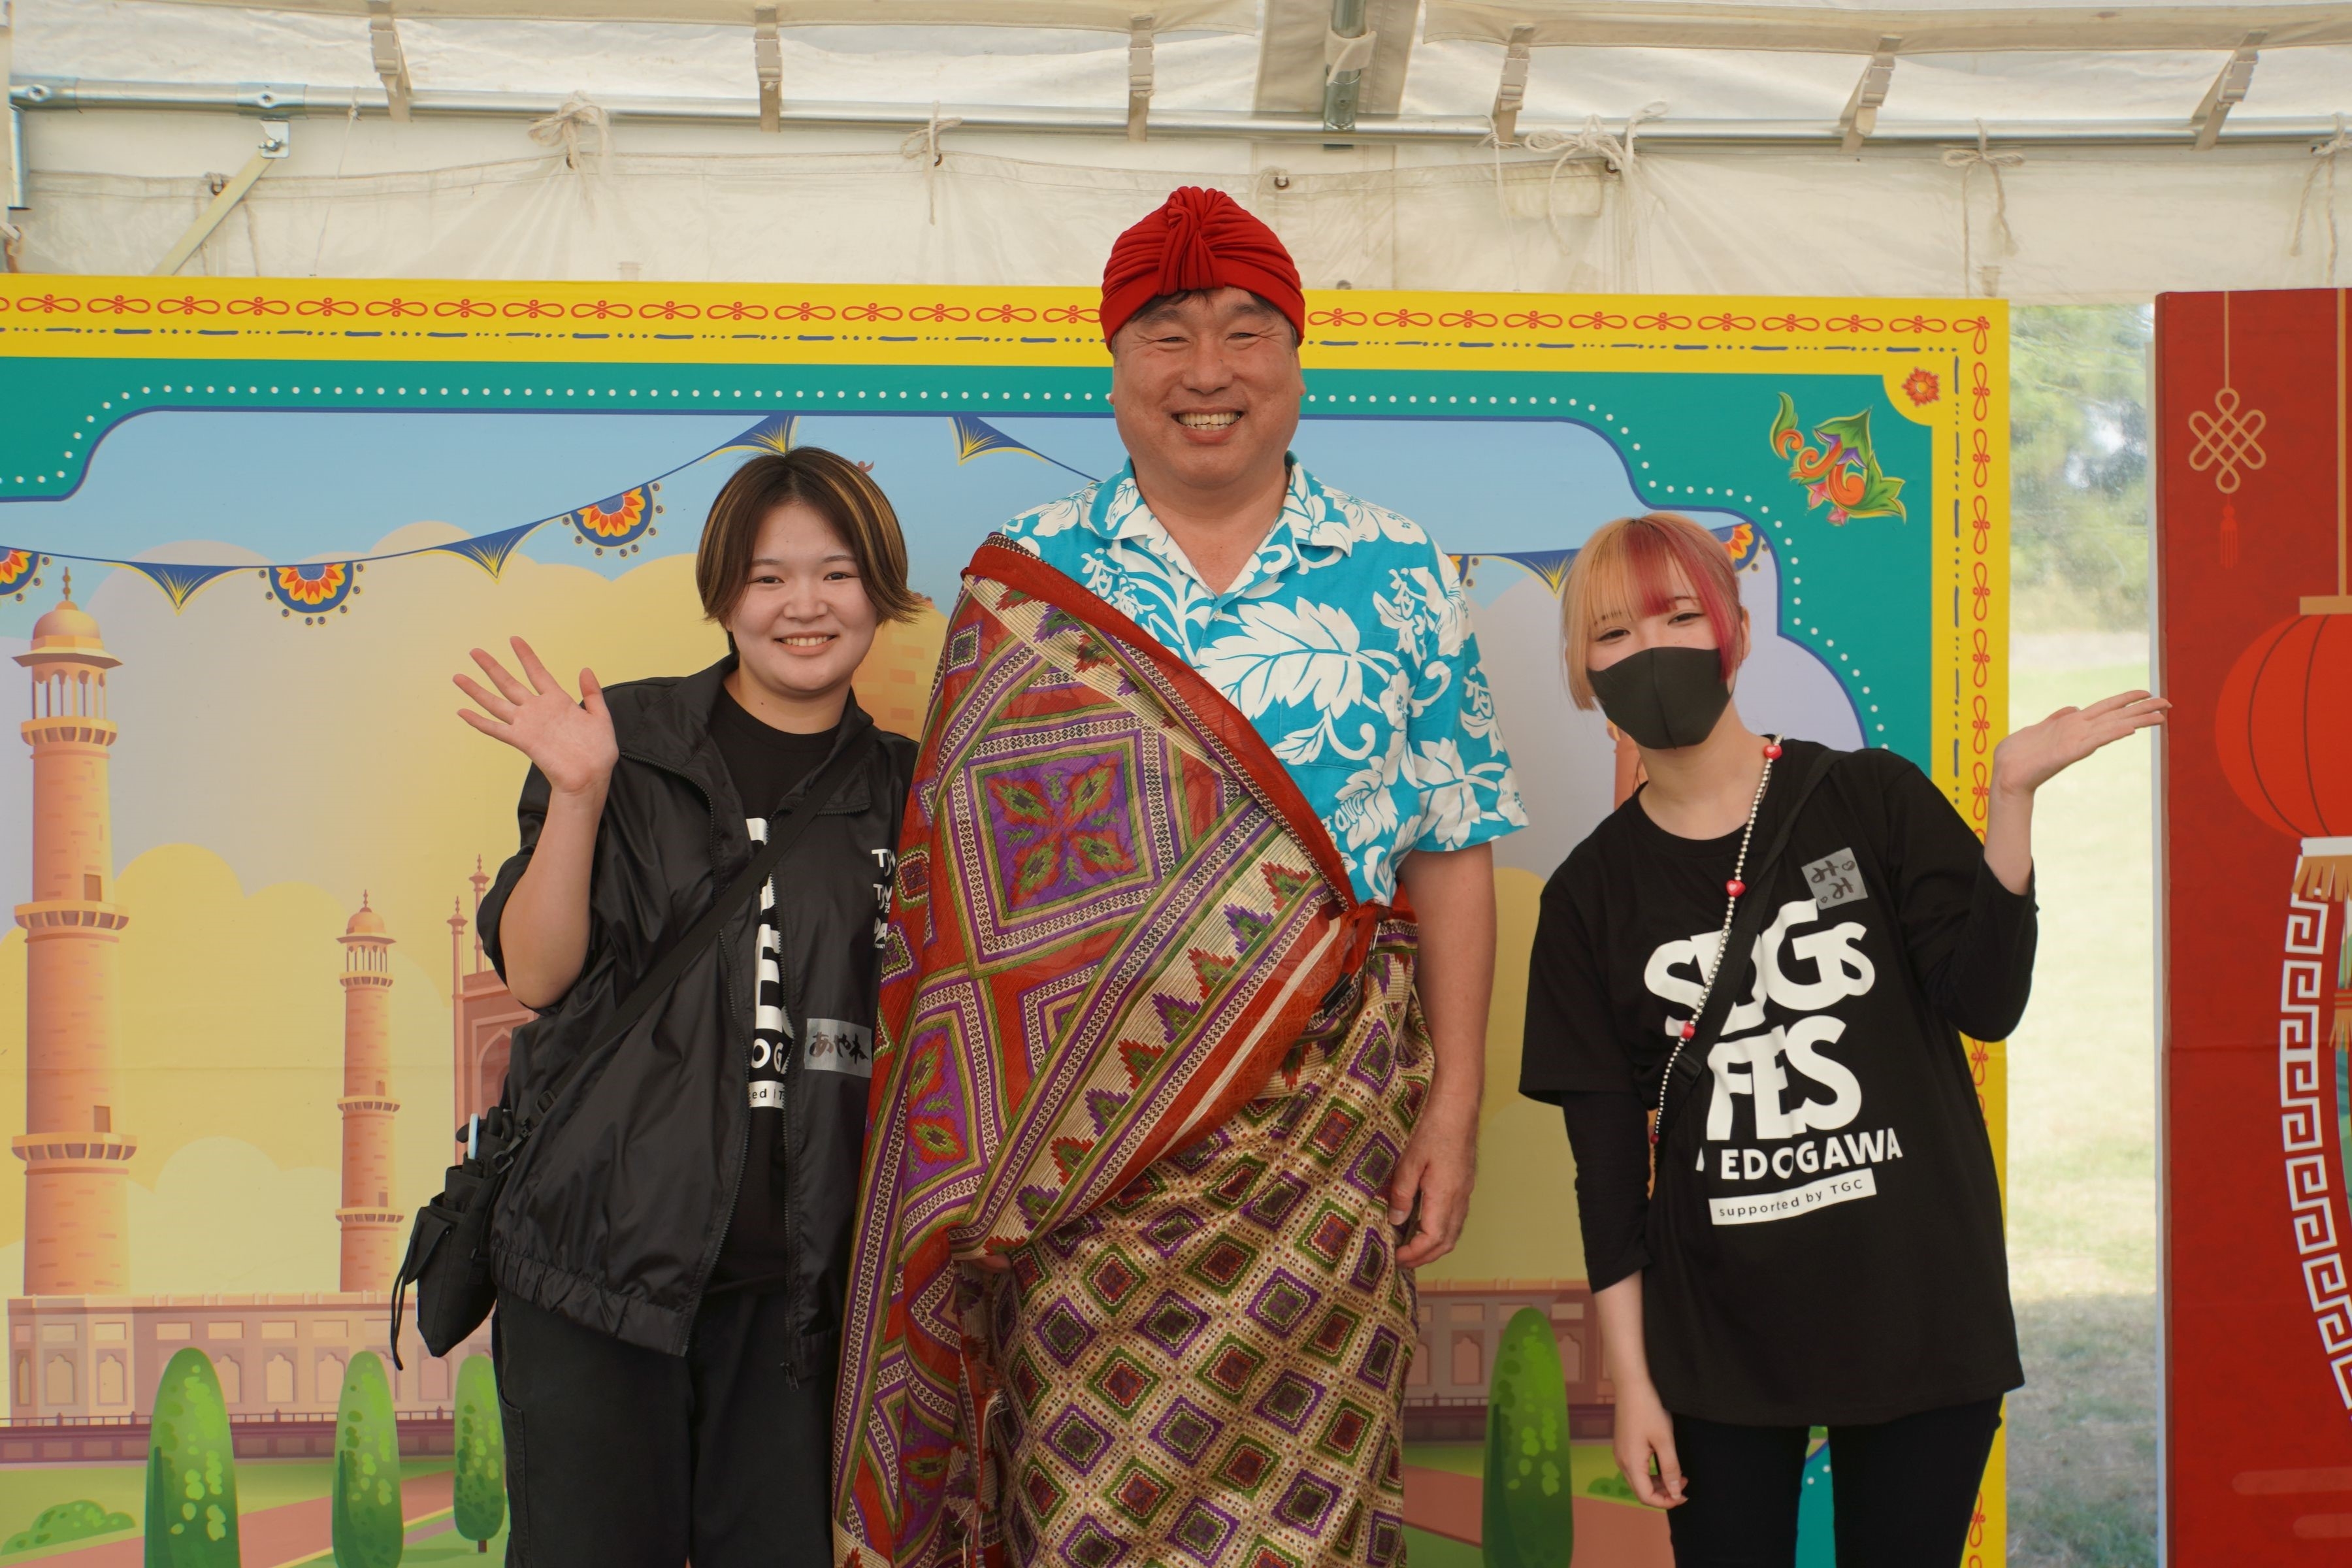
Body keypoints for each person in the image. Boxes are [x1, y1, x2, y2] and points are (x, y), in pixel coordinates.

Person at [832, 187, 1524, 1568]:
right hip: (1081, 1153)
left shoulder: (1400, 572)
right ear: (1115, 366)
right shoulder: (1032, 578)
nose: (1208, 371)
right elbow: (960, 911)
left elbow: (1451, 847)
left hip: (1327, 1130)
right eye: (1167, 334)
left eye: (1246, 331)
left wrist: (1452, 1107)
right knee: (1088, 1499)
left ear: (1298, 359)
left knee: (1316, 1502)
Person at [1516, 511, 2167, 1567]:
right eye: (1613, 634)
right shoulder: (1588, 898)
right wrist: (1632, 1383)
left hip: (1918, 1302)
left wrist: (2010, 800)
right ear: (1582, 674)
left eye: (1678, 617)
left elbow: (1987, 1002)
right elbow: (1607, 1176)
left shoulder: (1870, 798)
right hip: (1717, 1337)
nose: (1651, 651)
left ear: (1732, 631)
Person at [455, 448, 921, 1568]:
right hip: (596, 1271)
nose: (804, 606)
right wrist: (579, 794)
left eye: (837, 574)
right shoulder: (625, 743)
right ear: (722, 596)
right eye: (768, 578)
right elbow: (537, 976)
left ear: (879, 592)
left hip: (800, 1298)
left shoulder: (911, 789)